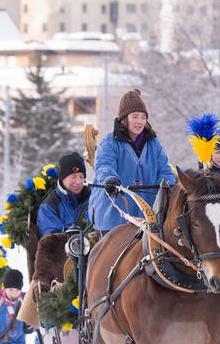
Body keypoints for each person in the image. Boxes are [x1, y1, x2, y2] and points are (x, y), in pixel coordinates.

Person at [90, 89, 174, 232]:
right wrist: (110, 179)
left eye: (143, 117)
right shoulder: (109, 143)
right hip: (115, 215)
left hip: (148, 216)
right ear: (125, 118)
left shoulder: (153, 143)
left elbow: (164, 170)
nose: (140, 121)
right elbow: (104, 165)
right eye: (135, 116)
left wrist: (168, 183)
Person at [37, 152, 92, 236]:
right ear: (62, 178)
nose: (78, 182)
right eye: (73, 177)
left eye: (81, 177)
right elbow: (52, 239)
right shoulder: (49, 206)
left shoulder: (93, 199)